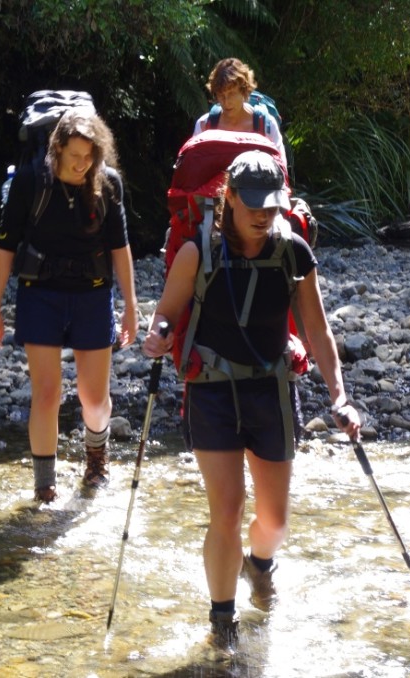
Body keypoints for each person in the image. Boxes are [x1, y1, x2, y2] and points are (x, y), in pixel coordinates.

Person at [142, 150, 361, 647]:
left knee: (275, 521)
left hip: (271, 390)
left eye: (272, 204)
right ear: (231, 198)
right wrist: (158, 336)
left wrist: (340, 397)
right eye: (254, 204)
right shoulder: (197, 251)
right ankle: (223, 625)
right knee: (228, 510)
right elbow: (167, 313)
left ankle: (259, 564)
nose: (264, 214)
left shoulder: (292, 252)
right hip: (212, 390)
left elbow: (318, 330)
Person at [0, 109, 139, 503]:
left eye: (89, 156)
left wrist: (131, 306)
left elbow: (120, 249)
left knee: (94, 398)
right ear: (56, 150)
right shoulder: (30, 181)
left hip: (93, 295)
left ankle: (96, 459)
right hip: (40, 294)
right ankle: (45, 487)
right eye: (74, 156)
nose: (82, 164)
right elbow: (5, 247)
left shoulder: (107, 183)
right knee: (47, 393)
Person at [193, 58, 287, 168]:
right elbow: (193, 168)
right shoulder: (204, 125)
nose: (226, 101)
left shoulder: (267, 125)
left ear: (244, 90)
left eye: (231, 93)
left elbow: (281, 169)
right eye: (221, 95)